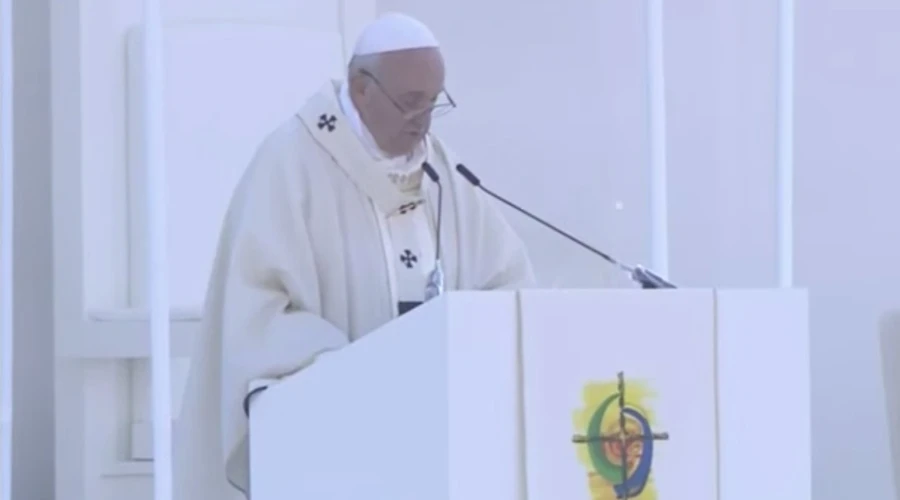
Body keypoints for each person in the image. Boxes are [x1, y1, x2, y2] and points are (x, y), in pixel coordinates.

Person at [173, 11, 535, 499]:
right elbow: (257, 314)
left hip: (438, 443)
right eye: (410, 103)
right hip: (331, 450)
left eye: (434, 103)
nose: (423, 121)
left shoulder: (442, 173)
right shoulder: (291, 165)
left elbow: (507, 283)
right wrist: (357, 374)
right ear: (361, 89)